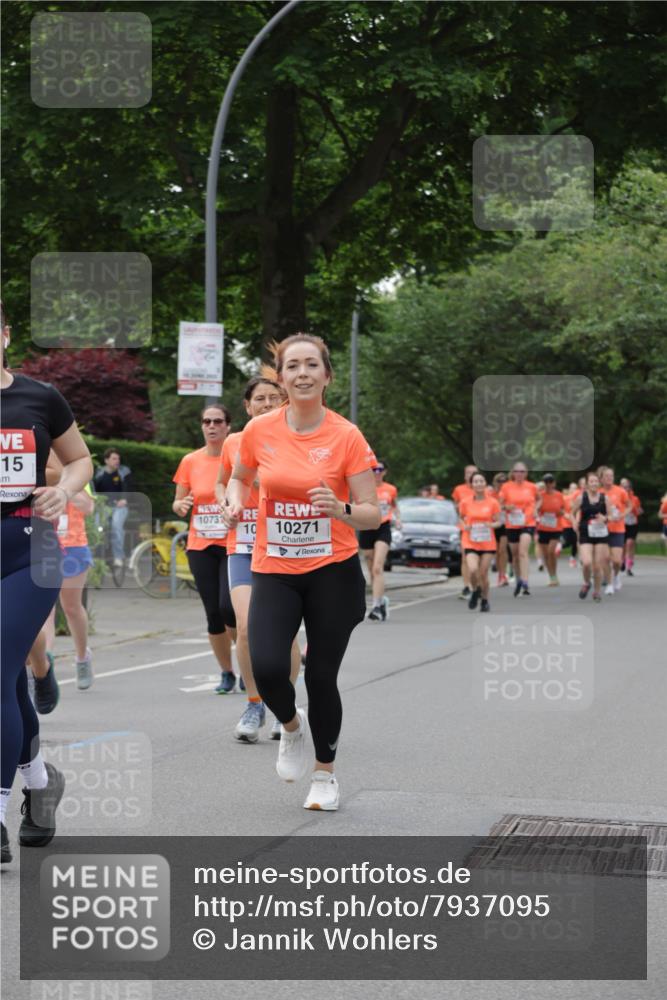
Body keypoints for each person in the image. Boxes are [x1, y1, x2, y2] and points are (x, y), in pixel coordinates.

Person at [223, 333, 379, 811]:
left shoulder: (346, 435)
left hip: (333, 570)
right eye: (293, 366)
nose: (303, 373)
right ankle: (292, 727)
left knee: (321, 677)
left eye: (312, 365)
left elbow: (372, 513)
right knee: (268, 667)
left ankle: (325, 775)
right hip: (275, 567)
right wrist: (234, 501)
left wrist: (341, 508)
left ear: (327, 376)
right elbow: (240, 478)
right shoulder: (259, 430)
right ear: (282, 378)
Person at [1, 300, 93, 864]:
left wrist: (63, 489)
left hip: (28, 548)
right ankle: (39, 781)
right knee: (8, 680)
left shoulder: (40, 397)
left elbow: (79, 459)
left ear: (5, 335)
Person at [216, 375, 301, 742]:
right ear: (247, 406)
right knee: (246, 627)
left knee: (285, 632)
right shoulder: (233, 442)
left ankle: (285, 707)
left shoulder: (295, 438)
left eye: (273, 398)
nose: (266, 404)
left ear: (283, 402)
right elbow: (223, 481)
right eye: (259, 399)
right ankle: (254, 704)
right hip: (244, 542)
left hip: (284, 545)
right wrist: (226, 503)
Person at [172, 404, 238, 694]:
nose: (212, 426)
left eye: (218, 421)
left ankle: (247, 661)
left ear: (228, 426)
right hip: (200, 545)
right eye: (207, 421)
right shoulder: (190, 461)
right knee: (213, 612)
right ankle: (227, 672)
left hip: (231, 543)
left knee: (229, 608)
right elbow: (178, 502)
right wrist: (181, 505)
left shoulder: (237, 459)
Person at [27, 452, 95, 703]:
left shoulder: (76, 469)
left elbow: (88, 507)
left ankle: (82, 657)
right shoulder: (35, 470)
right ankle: (45, 663)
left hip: (73, 546)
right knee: (45, 611)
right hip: (44, 544)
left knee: (72, 608)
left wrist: (64, 488)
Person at [360, 460, 399, 621]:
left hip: (383, 527)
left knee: (377, 568)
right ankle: (382, 600)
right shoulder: (363, 488)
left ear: (385, 472)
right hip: (367, 527)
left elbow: (394, 506)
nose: (376, 473)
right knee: (371, 569)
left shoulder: (391, 489)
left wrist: (398, 518)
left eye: (379, 470)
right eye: (374, 469)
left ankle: (376, 606)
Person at [459, 472, 502, 612]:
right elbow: (461, 518)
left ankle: (485, 600)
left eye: (481, 481)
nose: (478, 484)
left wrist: (491, 525)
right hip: (470, 541)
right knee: (473, 570)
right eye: (476, 481)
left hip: (487, 542)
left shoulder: (493, 502)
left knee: (483, 573)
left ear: (485, 483)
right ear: (472, 484)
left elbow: (499, 521)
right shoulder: (465, 502)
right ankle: (475, 590)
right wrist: (464, 526)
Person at [498, 462, 538, 596]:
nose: (519, 474)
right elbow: (498, 505)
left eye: (522, 471)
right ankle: (519, 580)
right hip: (512, 524)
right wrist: (506, 507)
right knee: (515, 556)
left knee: (522, 552)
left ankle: (525, 582)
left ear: (526, 473)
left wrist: (535, 509)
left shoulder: (532, 487)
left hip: (528, 523)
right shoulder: (506, 487)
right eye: (517, 471)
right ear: (513, 473)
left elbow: (539, 499)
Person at [572, 471, 610, 602]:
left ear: (599, 483)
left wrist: (605, 518)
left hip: (600, 533)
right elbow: (572, 512)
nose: (594, 483)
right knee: (587, 562)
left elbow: (611, 516)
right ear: (587, 484)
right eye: (591, 481)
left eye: (596, 481)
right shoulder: (581, 498)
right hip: (585, 532)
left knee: (597, 565)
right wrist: (574, 522)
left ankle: (597, 592)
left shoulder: (605, 498)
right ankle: (587, 583)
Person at [93, 447, 133, 568]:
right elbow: (94, 490)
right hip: (103, 507)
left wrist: (124, 499)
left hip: (119, 507)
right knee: (96, 527)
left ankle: (118, 557)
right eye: (114, 459)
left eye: (118, 459)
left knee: (116, 526)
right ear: (106, 460)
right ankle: (95, 557)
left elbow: (128, 487)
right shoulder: (99, 473)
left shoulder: (124, 471)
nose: (117, 461)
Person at [599, 467, 630, 594]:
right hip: (602, 530)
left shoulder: (620, 491)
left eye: (611, 475)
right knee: (606, 558)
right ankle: (609, 584)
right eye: (606, 476)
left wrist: (622, 515)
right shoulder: (598, 492)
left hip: (618, 528)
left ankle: (616, 576)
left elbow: (629, 506)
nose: (609, 478)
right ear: (601, 478)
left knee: (617, 560)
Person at [451, 465, 479, 600]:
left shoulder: (483, 490)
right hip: (465, 528)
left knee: (478, 559)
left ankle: (477, 585)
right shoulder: (459, 490)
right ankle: (467, 586)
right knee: (465, 558)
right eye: (468, 473)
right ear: (465, 475)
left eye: (473, 473)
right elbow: (456, 508)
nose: (470, 475)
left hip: (481, 530)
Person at [535, 474, 566, 586]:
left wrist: (559, 512)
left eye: (550, 482)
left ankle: (554, 574)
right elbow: (535, 509)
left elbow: (563, 510)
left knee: (551, 551)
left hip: (556, 527)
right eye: (546, 482)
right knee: (546, 554)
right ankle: (552, 576)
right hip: (543, 527)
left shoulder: (559, 495)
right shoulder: (540, 496)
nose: (548, 484)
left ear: (554, 483)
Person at [620, 477, 642, 576]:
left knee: (630, 543)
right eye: (623, 487)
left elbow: (639, 510)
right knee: (623, 545)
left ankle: (629, 566)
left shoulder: (635, 498)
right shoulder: (620, 498)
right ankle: (623, 560)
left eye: (627, 487)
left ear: (630, 488)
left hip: (633, 524)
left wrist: (636, 510)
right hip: (622, 524)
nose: (626, 488)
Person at [490, 472, 509, 586]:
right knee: (496, 551)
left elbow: (513, 506)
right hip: (494, 524)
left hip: (505, 523)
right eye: (499, 481)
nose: (502, 483)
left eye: (504, 481)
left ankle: (503, 575)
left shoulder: (509, 493)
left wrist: (505, 507)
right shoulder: (490, 494)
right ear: (494, 482)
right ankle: (500, 574)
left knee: (502, 549)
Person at [561, 482, 581, 569]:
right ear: (569, 489)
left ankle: (572, 558)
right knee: (568, 541)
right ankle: (559, 546)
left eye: (575, 488)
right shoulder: (565, 498)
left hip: (575, 523)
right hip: (566, 523)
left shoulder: (579, 499)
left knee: (575, 541)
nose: (574, 490)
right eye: (572, 488)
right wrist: (566, 515)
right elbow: (560, 509)